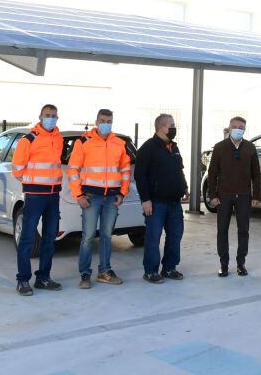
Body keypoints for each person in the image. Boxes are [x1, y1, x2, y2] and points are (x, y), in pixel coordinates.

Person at [68, 108, 131, 289]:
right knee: (88, 237)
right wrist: (78, 195)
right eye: (103, 120)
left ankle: (104, 271)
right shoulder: (83, 141)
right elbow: (73, 169)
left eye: (109, 121)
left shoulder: (118, 143)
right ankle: (85, 274)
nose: (106, 124)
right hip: (91, 196)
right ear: (96, 121)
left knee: (106, 235)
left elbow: (125, 170)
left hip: (112, 197)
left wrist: (122, 193)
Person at [10, 104, 65, 296]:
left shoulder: (58, 138)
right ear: (40, 117)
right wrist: (31, 183)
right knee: (27, 238)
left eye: (54, 115)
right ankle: (23, 280)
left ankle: (43, 277)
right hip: (34, 196)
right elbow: (17, 168)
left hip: (53, 195)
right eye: (47, 115)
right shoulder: (29, 139)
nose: (51, 118)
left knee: (50, 238)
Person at [135, 113, 188, 284]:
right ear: (161, 127)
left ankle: (169, 268)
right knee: (153, 237)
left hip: (174, 202)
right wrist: (145, 200)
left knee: (175, 236)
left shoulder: (174, 147)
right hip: (156, 203)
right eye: (171, 125)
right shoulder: (148, 148)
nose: (174, 128)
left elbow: (179, 169)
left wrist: (184, 187)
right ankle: (150, 271)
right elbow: (140, 176)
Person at [207, 116, 261, 277]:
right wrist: (213, 195)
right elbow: (212, 174)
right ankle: (224, 265)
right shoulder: (219, 147)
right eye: (235, 126)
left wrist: (256, 195)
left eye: (241, 127)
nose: (238, 129)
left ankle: (241, 264)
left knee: (243, 230)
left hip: (244, 195)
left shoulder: (250, 148)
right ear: (229, 128)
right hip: (224, 195)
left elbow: (256, 174)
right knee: (222, 229)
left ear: (244, 130)